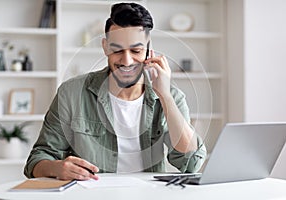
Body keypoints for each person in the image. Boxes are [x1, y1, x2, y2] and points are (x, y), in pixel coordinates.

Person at [24, 2, 207, 181]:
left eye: (136, 50)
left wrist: (165, 96)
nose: (126, 61)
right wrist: (57, 168)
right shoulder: (71, 93)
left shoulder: (171, 96)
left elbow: (190, 164)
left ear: (149, 50)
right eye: (117, 50)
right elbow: (37, 160)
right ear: (105, 47)